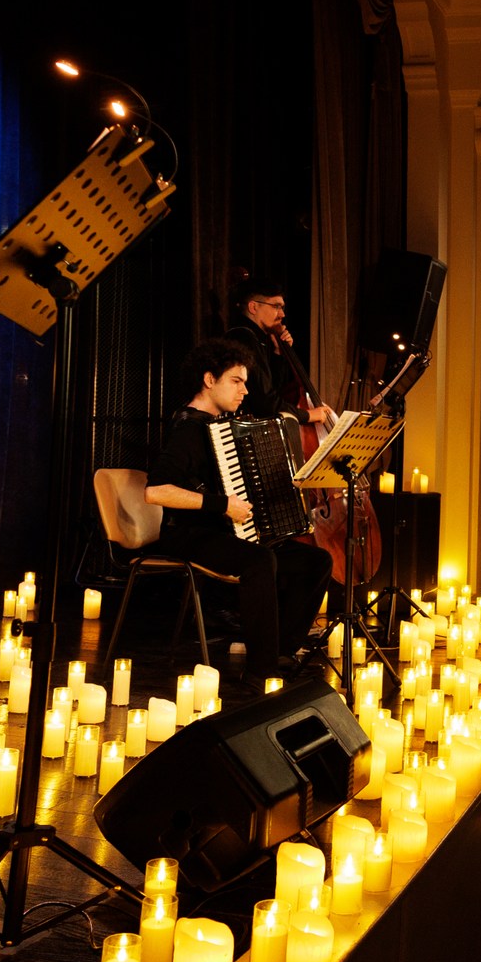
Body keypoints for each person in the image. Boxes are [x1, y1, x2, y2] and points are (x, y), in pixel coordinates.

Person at [145, 339, 337, 673]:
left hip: (225, 531)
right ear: (209, 380)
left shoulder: (222, 425)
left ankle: (281, 650)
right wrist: (222, 505)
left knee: (316, 560)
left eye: (245, 382)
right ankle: (262, 669)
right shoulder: (189, 428)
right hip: (187, 533)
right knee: (259, 560)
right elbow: (155, 492)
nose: (245, 391)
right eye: (236, 381)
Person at [223, 279, 333, 424]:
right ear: (253, 307)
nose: (282, 314)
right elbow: (265, 403)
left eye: (282, 307)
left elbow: (273, 391)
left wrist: (278, 354)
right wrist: (308, 415)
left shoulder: (258, 339)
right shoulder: (244, 338)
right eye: (276, 306)